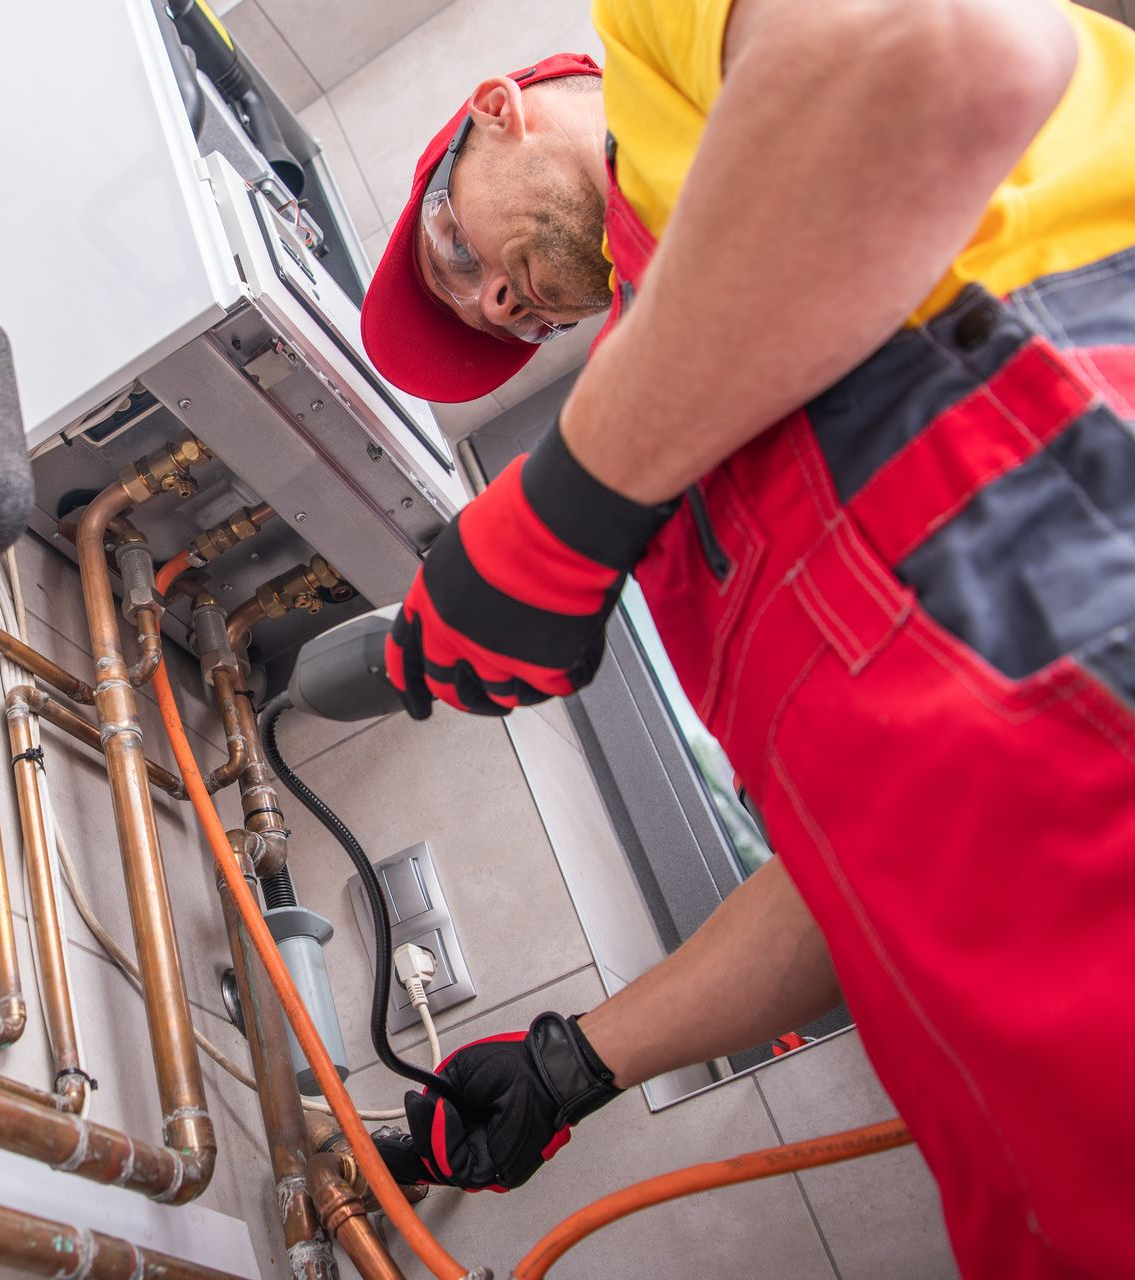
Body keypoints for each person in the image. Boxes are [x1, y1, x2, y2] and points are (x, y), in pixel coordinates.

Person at [361, 3, 1135, 1276]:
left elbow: (938, 53)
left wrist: (566, 504)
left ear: (496, 109)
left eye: (457, 249)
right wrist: (577, 1060)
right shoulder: (693, 454)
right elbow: (864, 860)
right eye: (505, 323)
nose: (498, 298)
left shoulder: (665, 37)